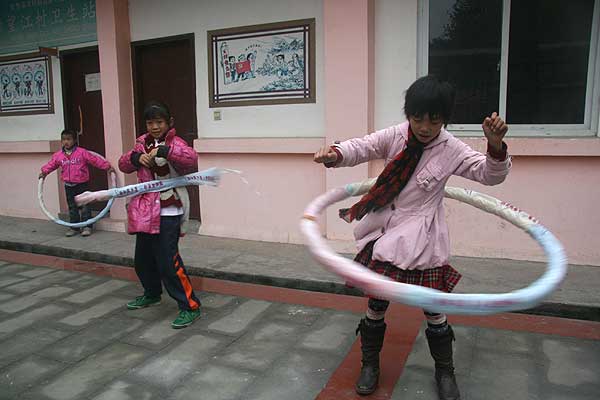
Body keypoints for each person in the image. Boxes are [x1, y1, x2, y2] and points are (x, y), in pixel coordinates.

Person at [313, 75, 510, 399]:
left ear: (444, 119)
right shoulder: (397, 135)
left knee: (433, 308)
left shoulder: (452, 149)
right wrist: (335, 153)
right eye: (418, 117)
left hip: (423, 240)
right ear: (409, 114)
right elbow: (363, 146)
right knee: (377, 302)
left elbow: (488, 174)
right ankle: (370, 364)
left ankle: (446, 372)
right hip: (386, 230)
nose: (424, 126)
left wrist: (496, 147)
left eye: (433, 120)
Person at [118, 101, 201, 329]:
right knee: (143, 259)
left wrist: (167, 151)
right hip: (145, 210)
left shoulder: (175, 142)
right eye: (150, 122)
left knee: (168, 260)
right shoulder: (141, 143)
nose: (155, 126)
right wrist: (135, 159)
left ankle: (190, 305)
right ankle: (152, 293)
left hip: (169, 207)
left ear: (169, 123)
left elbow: (191, 160)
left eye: (159, 122)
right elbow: (123, 163)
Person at [39, 129, 113, 237]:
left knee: (85, 206)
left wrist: (107, 167)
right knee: (72, 207)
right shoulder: (58, 155)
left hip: (82, 184)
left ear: (74, 140)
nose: (66, 142)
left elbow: (95, 160)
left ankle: (87, 226)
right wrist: (44, 172)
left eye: (68, 139)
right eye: (63, 139)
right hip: (69, 186)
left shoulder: (82, 152)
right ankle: (74, 227)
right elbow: (51, 165)